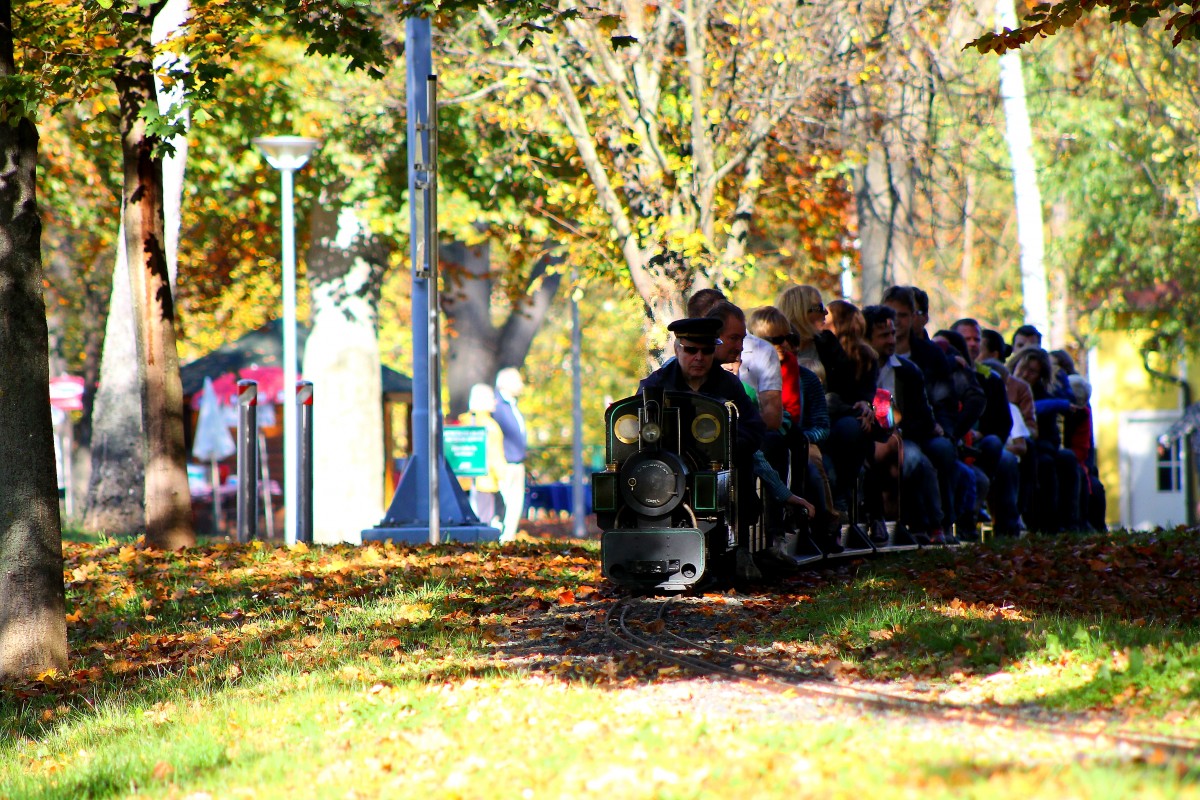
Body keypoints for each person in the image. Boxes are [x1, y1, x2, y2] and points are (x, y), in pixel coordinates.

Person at [458, 383, 507, 529]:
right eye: (492, 398)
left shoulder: (463, 422)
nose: (495, 401)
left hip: (464, 482)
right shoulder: (490, 426)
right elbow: (494, 456)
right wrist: (503, 477)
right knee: (485, 522)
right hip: (486, 483)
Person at [493, 367, 528, 543]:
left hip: (517, 461)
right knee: (505, 502)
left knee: (515, 502)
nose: (521, 385)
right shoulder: (497, 405)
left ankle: (509, 537)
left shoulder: (512, 405)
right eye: (517, 380)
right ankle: (500, 536)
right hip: (504, 462)